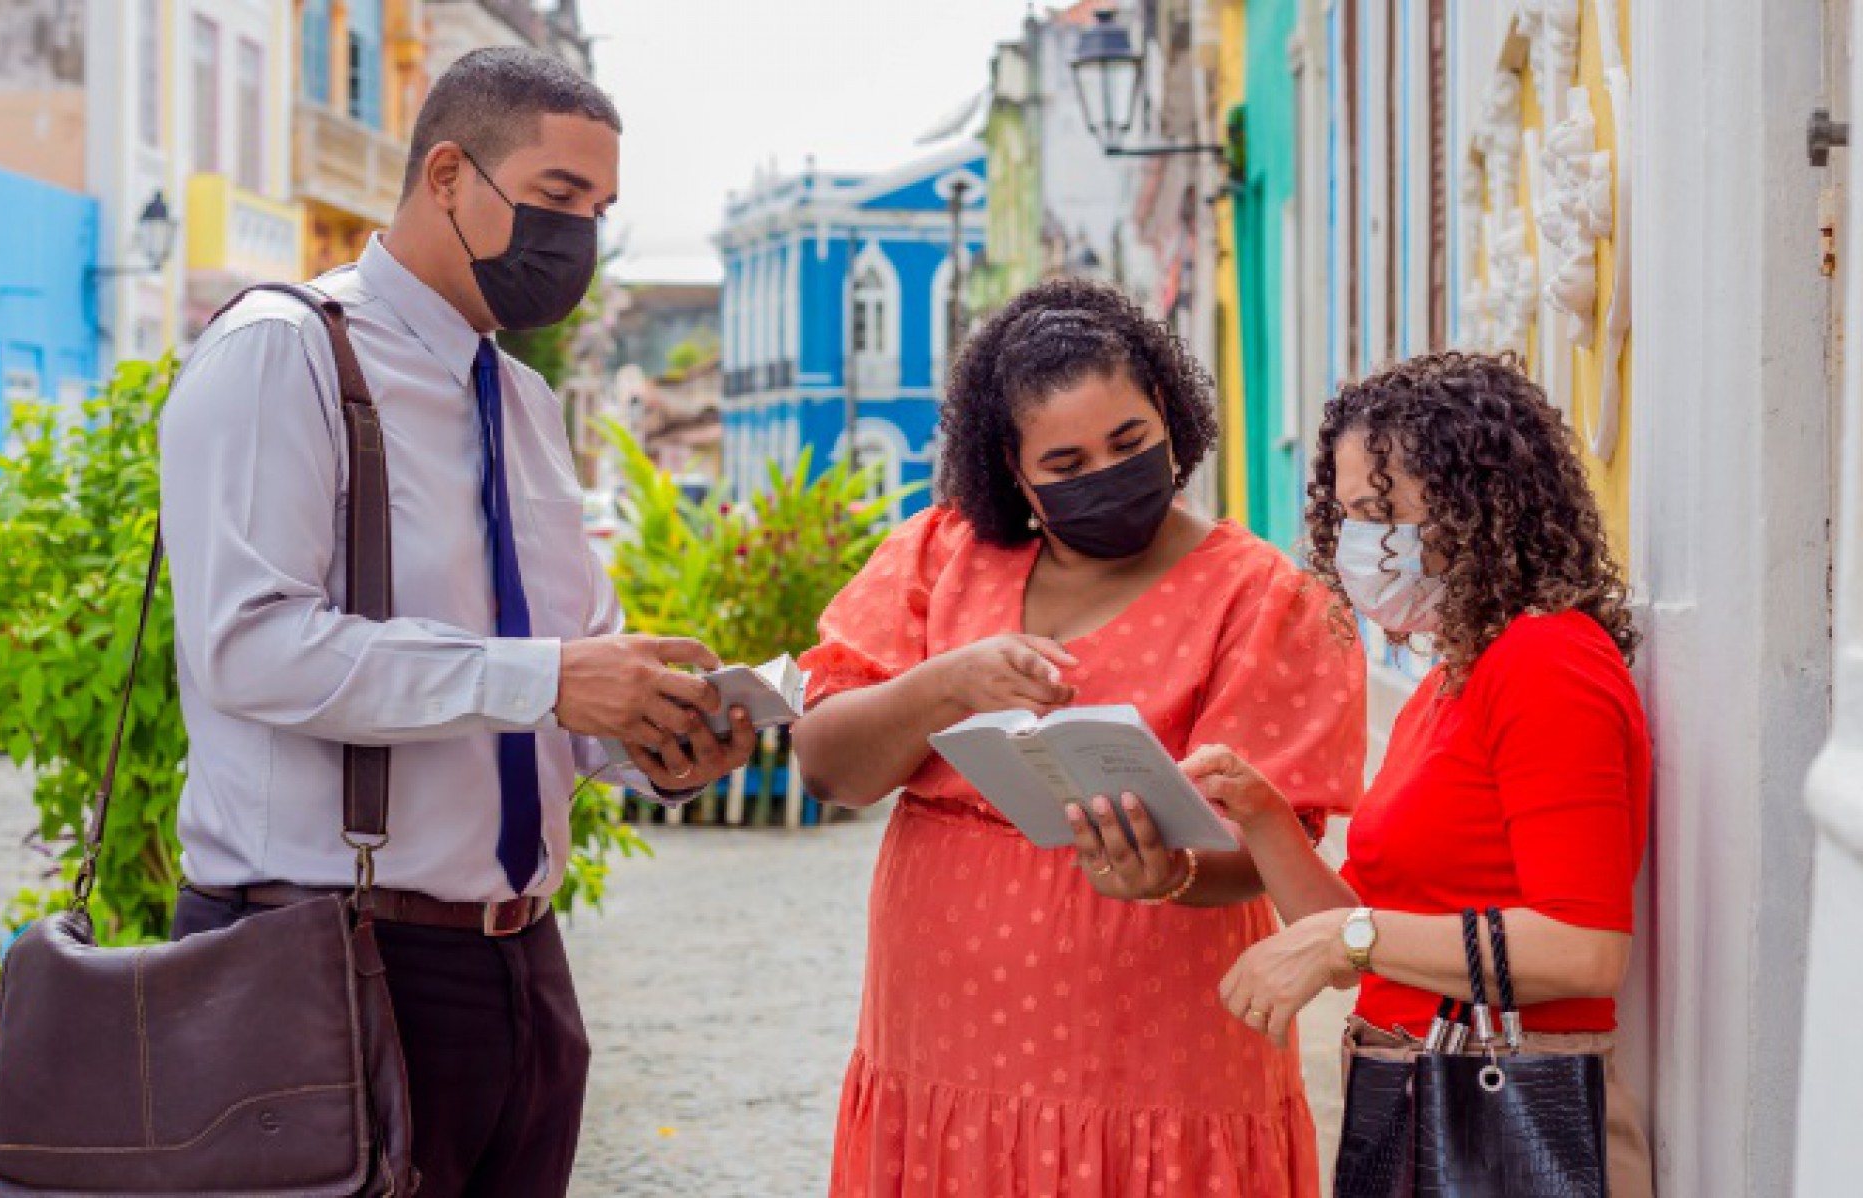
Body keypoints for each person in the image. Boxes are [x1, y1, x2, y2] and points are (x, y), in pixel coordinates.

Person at [159, 49, 755, 1197]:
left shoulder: (527, 405)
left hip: (521, 971)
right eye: (559, 197)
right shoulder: (283, 352)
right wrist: (543, 680)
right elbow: (248, 647)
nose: (578, 237)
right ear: (446, 173)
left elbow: (559, 675)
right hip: (321, 959)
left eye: (601, 209)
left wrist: (654, 739)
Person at [794, 280, 1367, 1198]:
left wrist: (1172, 875)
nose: (1104, 472)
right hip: (940, 1032)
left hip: (1157, 1040)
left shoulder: (1263, 596)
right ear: (1012, 473)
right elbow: (827, 766)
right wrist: (941, 686)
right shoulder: (941, 555)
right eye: (1065, 463)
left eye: (1130, 443)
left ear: (1173, 419)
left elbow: (1272, 840)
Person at [1186, 351, 1654, 1195]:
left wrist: (1345, 938)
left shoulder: (1549, 662)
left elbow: (1585, 949)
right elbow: (1369, 934)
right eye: (1351, 514)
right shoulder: (1449, 682)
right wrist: (1260, 816)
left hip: (1508, 1113)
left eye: (1380, 508)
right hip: (1409, 1095)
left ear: (1476, 499)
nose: (1361, 541)